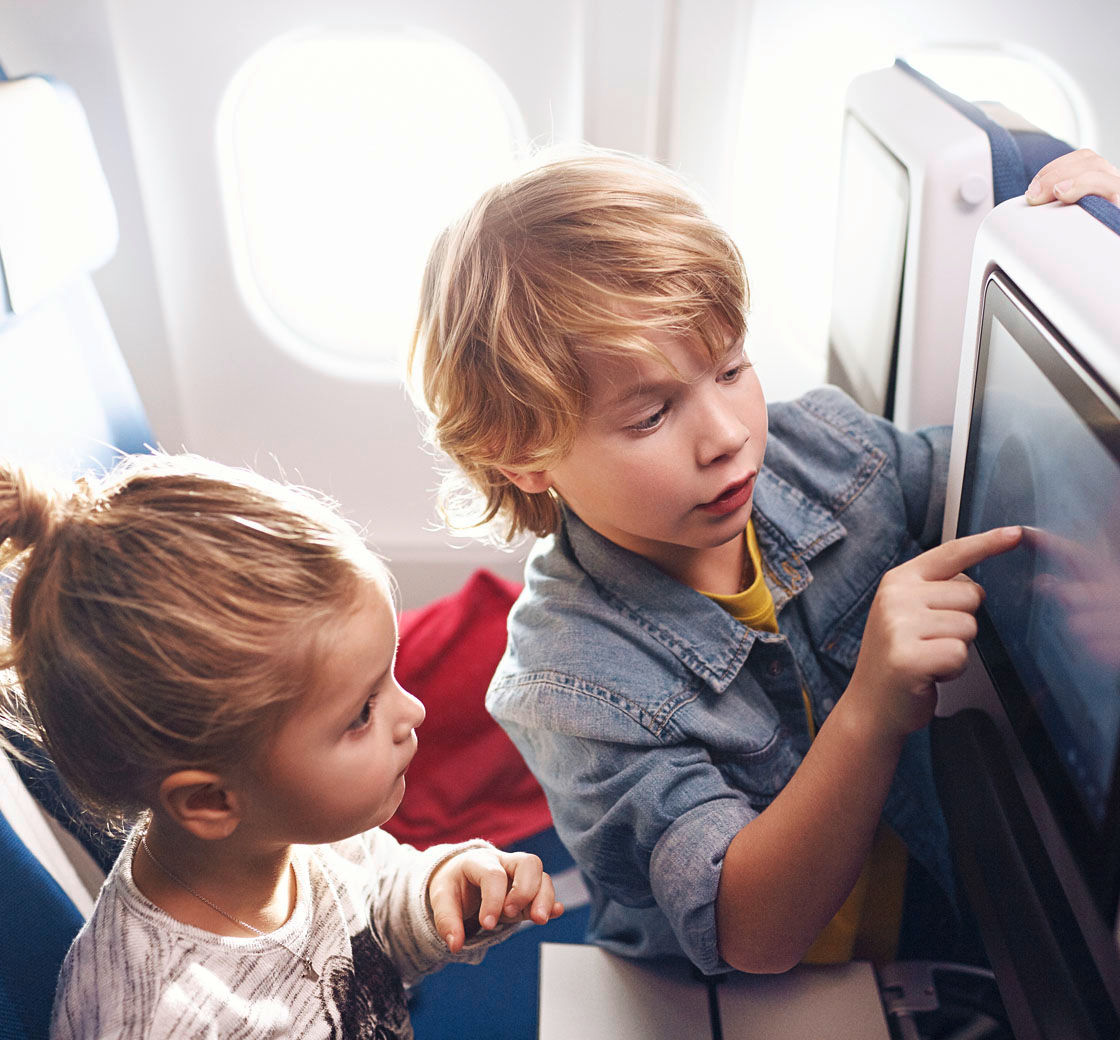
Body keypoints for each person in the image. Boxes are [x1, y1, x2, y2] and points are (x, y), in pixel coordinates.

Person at [408, 147, 1120, 976]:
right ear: (524, 458)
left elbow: (1026, 474)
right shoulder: (568, 683)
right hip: (741, 994)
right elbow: (752, 935)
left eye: (731, 368)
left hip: (928, 910)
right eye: (650, 415)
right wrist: (870, 704)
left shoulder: (825, 454)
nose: (729, 434)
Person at [0, 452, 563, 1039]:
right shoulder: (164, 1017)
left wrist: (442, 892)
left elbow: (374, 917)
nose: (413, 712)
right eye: (363, 712)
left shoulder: (300, 836)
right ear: (211, 801)